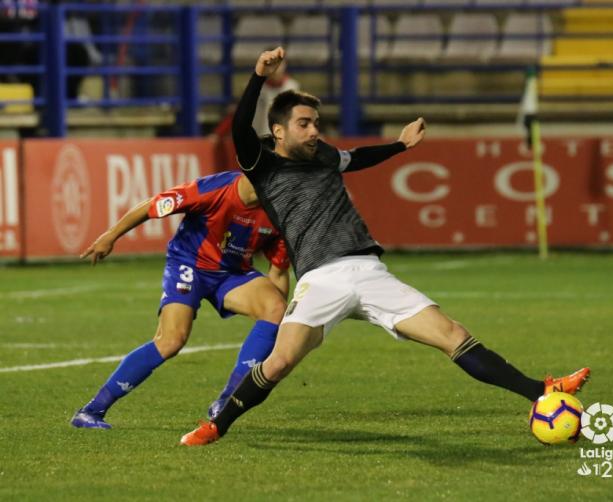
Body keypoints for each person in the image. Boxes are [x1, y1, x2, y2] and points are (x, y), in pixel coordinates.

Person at [180, 48, 590, 446]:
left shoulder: (322, 155)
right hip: (320, 280)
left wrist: (400, 145)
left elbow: (356, 159)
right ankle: (216, 426)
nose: (314, 131)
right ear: (279, 131)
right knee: (280, 362)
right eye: (304, 123)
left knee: (452, 334)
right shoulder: (263, 163)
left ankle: (542, 390)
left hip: (369, 271)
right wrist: (258, 77)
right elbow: (238, 129)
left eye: (316, 122)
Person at [71, 171, 290, 429]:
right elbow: (153, 205)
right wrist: (111, 235)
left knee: (276, 308)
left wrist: (278, 331)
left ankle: (227, 400)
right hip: (189, 265)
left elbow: (279, 270)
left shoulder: (281, 210)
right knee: (171, 341)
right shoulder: (213, 189)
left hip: (232, 274)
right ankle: (91, 411)